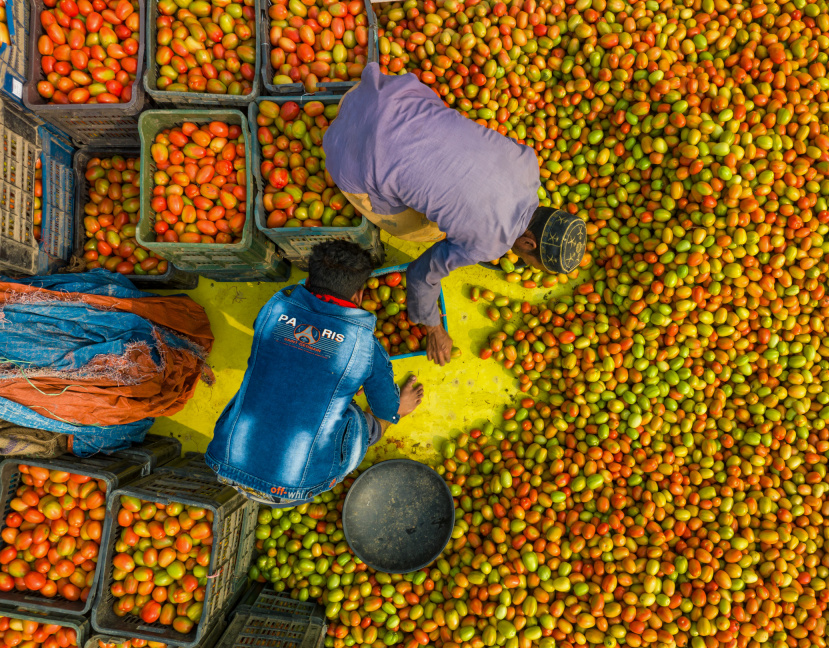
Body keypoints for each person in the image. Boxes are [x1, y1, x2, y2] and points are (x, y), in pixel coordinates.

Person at [323, 62, 588, 366]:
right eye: (529, 260)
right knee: (417, 228)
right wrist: (433, 328)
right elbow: (421, 274)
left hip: (389, 94)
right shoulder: (488, 244)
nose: (520, 260)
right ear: (528, 243)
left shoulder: (528, 163)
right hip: (354, 152)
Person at [205, 240, 424, 508]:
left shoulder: (274, 309)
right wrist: (396, 410)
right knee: (372, 417)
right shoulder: (366, 346)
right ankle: (389, 420)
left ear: (308, 280)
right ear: (358, 296)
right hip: (298, 484)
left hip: (224, 461)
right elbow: (383, 405)